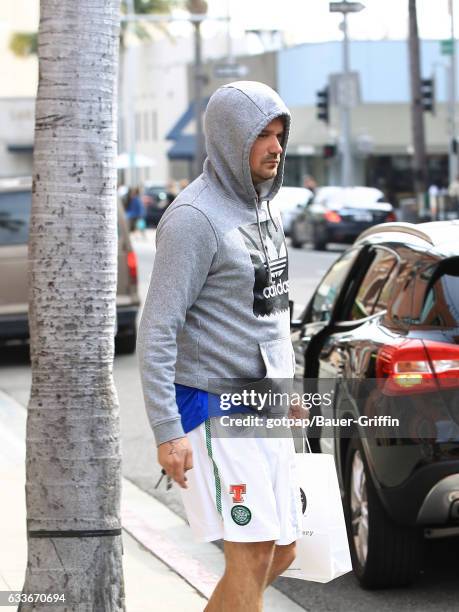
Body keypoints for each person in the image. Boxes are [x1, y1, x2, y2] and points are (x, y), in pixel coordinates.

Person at [137, 81, 304, 611]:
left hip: (264, 405)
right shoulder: (194, 219)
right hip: (214, 408)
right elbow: (158, 327)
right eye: (262, 136)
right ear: (231, 139)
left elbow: (272, 313)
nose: (276, 147)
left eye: (280, 134)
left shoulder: (265, 209)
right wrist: (168, 432)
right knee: (252, 555)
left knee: (283, 552)